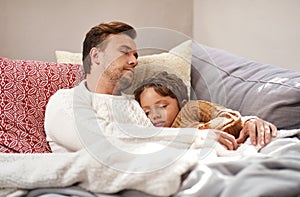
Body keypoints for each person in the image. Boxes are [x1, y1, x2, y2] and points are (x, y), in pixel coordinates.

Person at [44, 21, 237, 153]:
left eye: (135, 55)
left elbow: (173, 129)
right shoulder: (65, 101)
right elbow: (102, 143)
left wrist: (248, 121)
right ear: (96, 56)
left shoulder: (137, 106)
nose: (134, 61)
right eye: (124, 52)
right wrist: (192, 138)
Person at [133, 71, 277, 149]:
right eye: (147, 112)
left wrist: (200, 129)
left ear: (181, 103)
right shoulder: (152, 132)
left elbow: (230, 118)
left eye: (162, 107)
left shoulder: (189, 109)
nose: (154, 115)